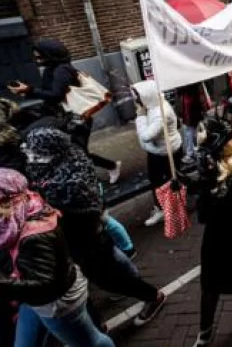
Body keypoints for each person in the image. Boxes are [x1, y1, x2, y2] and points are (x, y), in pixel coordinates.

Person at [23, 127, 166, 327]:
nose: (31, 156)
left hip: (86, 237)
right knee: (95, 274)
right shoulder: (50, 166)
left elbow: (74, 206)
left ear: (50, 152)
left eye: (35, 151)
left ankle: (152, 296)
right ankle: (97, 325)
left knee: (105, 276)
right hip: (70, 239)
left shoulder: (71, 178)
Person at [0, 168, 115, 347]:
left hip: (55, 303)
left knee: (90, 341)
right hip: (34, 294)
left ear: (7, 202)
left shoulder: (33, 233)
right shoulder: (24, 209)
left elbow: (46, 286)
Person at [181, 117, 232, 346]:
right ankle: (204, 333)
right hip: (215, 236)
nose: (199, 138)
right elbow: (205, 215)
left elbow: (215, 208)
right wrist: (186, 182)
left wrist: (202, 184)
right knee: (209, 286)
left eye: (204, 133)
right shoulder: (208, 165)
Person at [8, 39, 121, 184]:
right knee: (74, 151)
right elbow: (51, 93)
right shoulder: (53, 68)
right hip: (66, 117)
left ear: (50, 54)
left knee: (78, 152)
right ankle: (94, 174)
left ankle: (108, 168)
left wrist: (29, 90)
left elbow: (56, 95)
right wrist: (30, 92)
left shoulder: (62, 70)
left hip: (76, 119)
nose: (37, 60)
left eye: (39, 56)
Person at [131, 81, 183, 227]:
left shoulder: (160, 113)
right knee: (167, 179)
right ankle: (171, 203)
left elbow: (147, 136)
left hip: (165, 153)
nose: (136, 101)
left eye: (138, 98)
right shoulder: (154, 105)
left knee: (160, 182)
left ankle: (164, 209)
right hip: (161, 150)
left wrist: (140, 117)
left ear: (146, 96)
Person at [177, 82, 209, 165]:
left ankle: (191, 154)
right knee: (192, 131)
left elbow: (200, 96)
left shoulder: (188, 88)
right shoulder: (193, 85)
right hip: (191, 108)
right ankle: (195, 152)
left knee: (189, 132)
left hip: (190, 109)